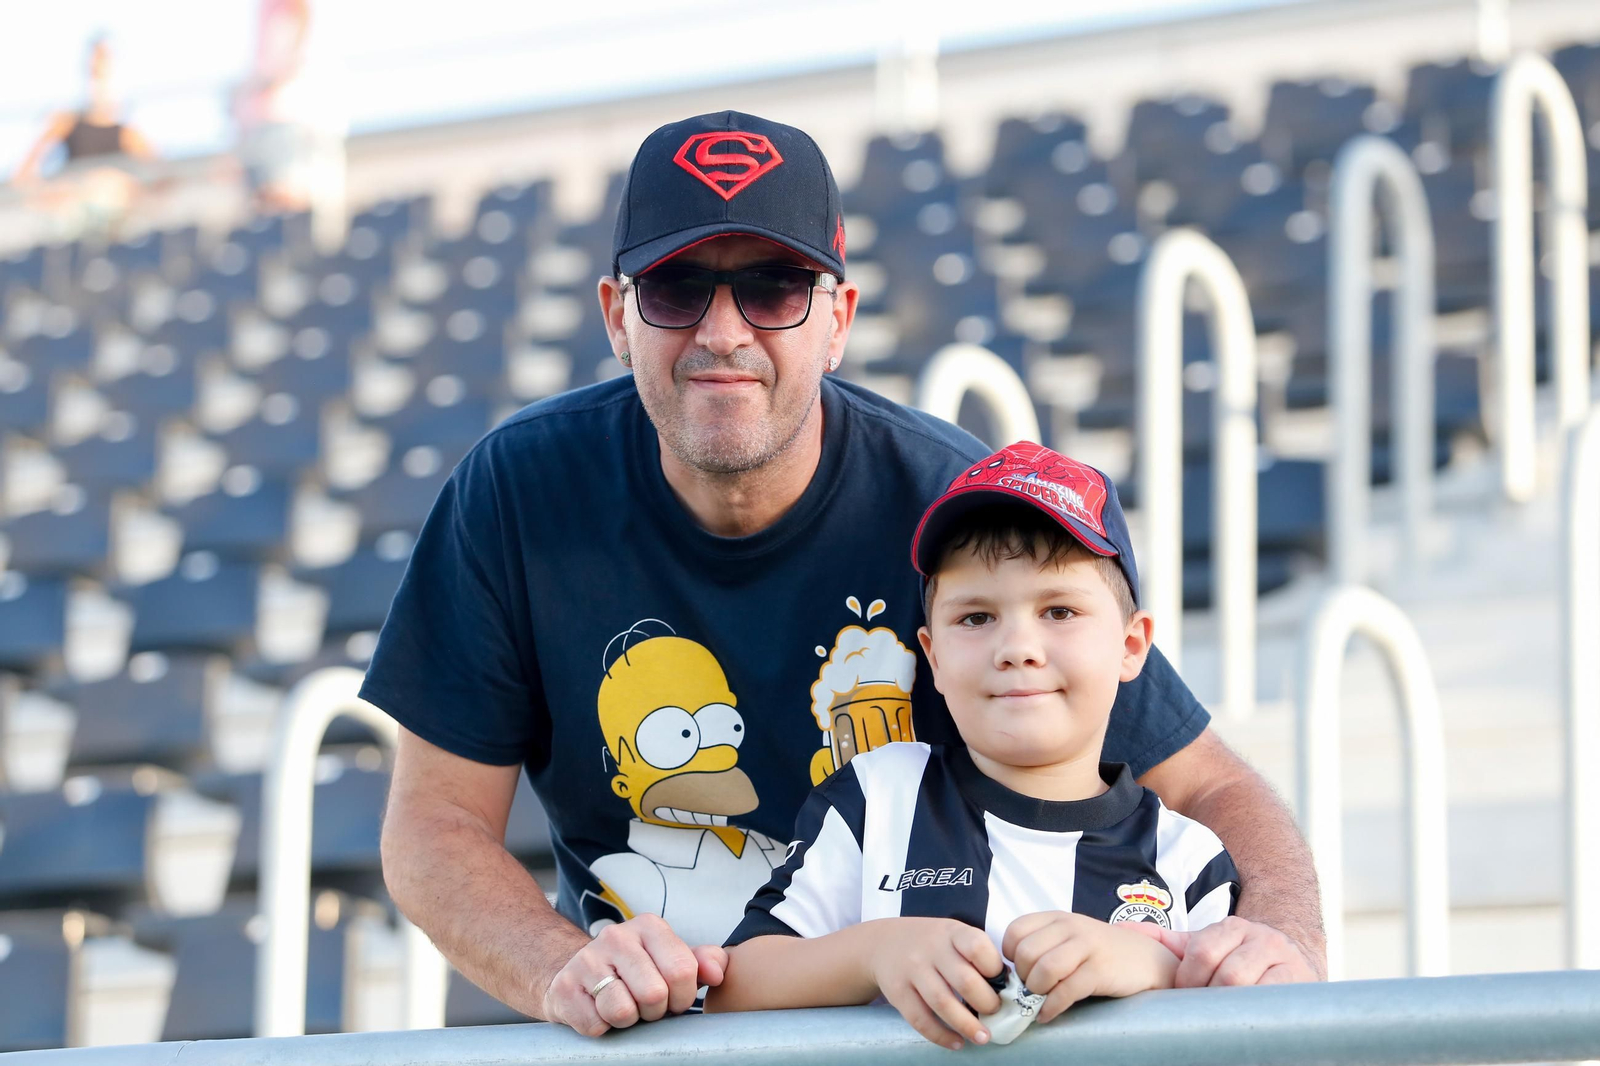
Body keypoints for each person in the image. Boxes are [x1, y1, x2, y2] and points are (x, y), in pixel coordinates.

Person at [367, 109, 1325, 1040]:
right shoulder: (515, 491)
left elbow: (1206, 785)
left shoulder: (960, 512)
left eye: (776, 288)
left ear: (838, 319)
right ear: (618, 315)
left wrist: (1276, 945)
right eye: (675, 287)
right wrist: (561, 969)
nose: (724, 332)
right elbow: (433, 828)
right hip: (654, 1028)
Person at [707, 441, 1238, 1049]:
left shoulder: (1189, 860)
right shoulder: (879, 796)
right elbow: (732, 989)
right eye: (976, 618)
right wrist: (873, 953)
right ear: (931, 657)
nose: (1017, 646)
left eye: (1059, 611)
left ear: (1131, 646)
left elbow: (1251, 1027)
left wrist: (1154, 967)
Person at [13, 37, 157, 234]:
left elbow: (164, 180)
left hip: (116, 226)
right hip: (70, 226)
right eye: (94, 70)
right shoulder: (65, 122)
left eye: (104, 68)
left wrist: (129, 193)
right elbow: (23, 177)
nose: (98, 79)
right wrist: (49, 196)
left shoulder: (130, 135)